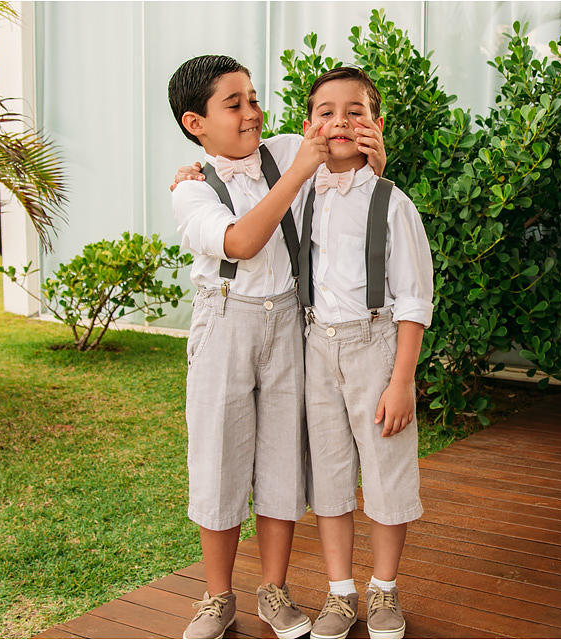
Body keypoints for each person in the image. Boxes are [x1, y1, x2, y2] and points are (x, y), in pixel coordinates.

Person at [167, 55, 385, 640]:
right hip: (225, 326)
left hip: (289, 320)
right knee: (219, 459)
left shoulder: (287, 149)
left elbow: (346, 153)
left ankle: (274, 589)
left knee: (282, 459)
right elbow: (239, 241)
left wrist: (368, 149)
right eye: (233, 104)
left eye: (254, 99)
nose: (252, 113)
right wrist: (296, 174)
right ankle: (217, 598)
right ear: (196, 123)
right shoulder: (191, 194)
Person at [297, 67, 433, 640]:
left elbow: (414, 296)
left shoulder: (391, 201)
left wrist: (401, 381)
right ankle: (339, 593)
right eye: (326, 111)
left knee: (386, 471)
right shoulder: (300, 191)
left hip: (374, 346)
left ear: (375, 125)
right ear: (309, 126)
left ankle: (383, 589)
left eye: (355, 111)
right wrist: (197, 169)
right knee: (329, 473)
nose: (340, 121)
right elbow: (244, 169)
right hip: (315, 347)